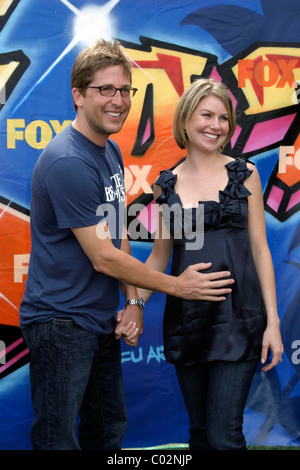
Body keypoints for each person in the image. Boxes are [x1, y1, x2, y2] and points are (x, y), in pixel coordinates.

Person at [19, 42, 234, 450]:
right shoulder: (68, 160)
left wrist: (133, 303)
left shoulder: (110, 150)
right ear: (78, 95)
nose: (117, 101)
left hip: (97, 320)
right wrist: (176, 286)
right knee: (57, 439)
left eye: (124, 90)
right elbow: (102, 258)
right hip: (60, 324)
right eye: (105, 90)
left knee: (107, 431)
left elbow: (116, 234)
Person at [134, 78, 284, 450]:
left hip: (240, 319)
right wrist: (134, 305)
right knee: (200, 434)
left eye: (223, 118)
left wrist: (273, 323)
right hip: (188, 322)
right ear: (186, 119)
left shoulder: (244, 174)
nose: (215, 125)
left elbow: (261, 250)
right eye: (206, 115)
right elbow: (158, 256)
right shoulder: (165, 185)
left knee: (223, 435)